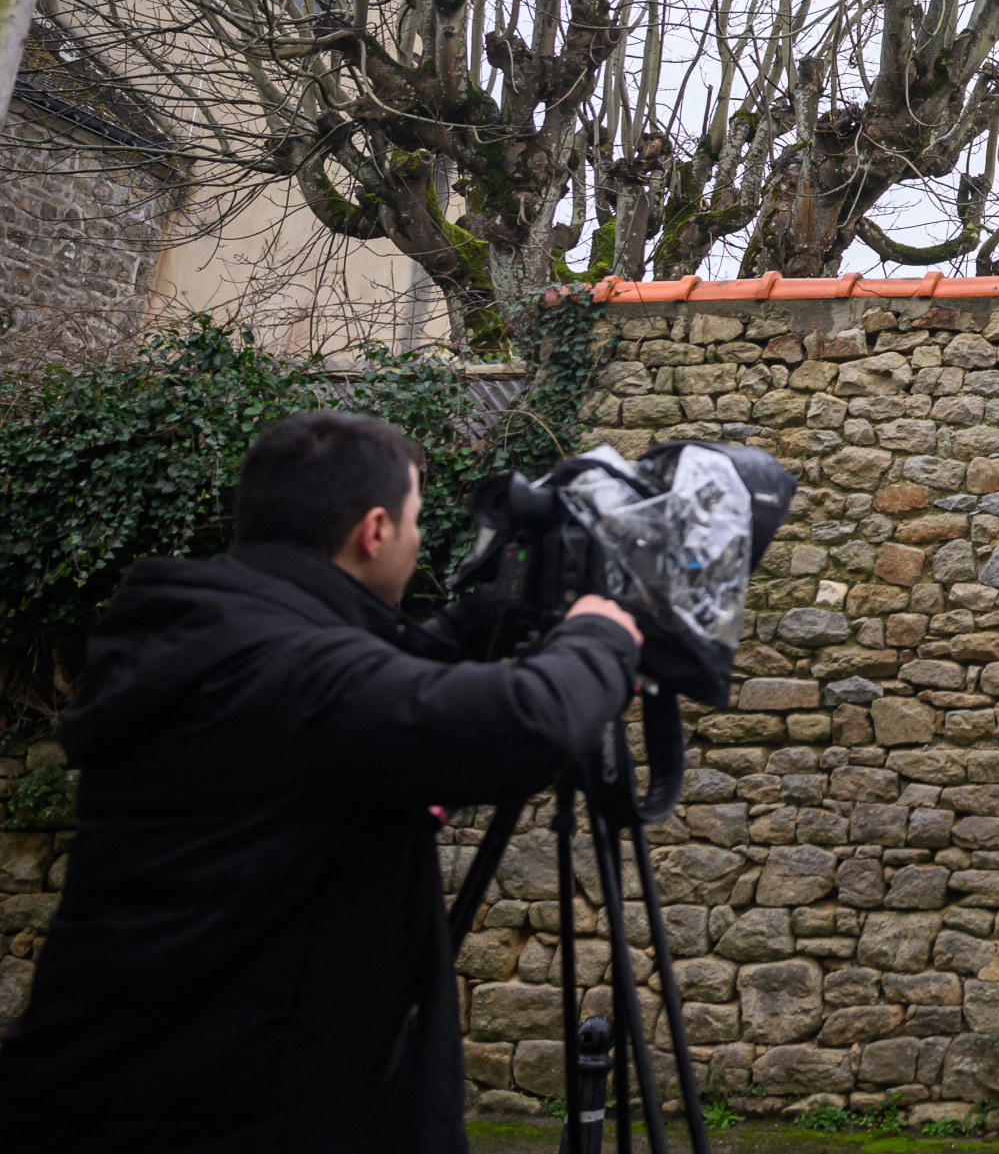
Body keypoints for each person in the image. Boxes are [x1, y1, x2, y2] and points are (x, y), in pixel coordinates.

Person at [0, 409, 643, 1151]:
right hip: (231, 1111)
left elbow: (364, 699)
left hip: (128, 1086)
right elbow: (527, 724)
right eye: (411, 520)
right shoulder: (288, 674)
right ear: (373, 531)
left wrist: (478, 621)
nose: (416, 538)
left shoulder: (211, 632)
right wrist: (599, 635)